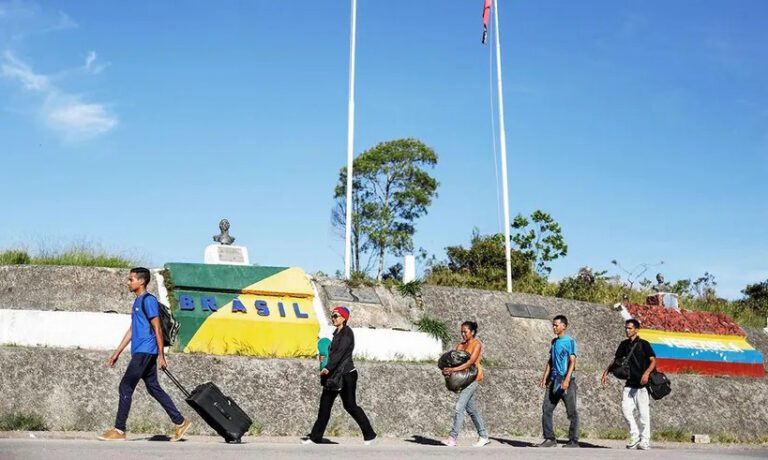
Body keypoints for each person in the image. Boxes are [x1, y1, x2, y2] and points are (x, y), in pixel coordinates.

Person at [97, 267, 191, 441]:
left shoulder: (148, 301)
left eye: (131, 279)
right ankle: (180, 422)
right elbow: (133, 329)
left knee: (125, 386)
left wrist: (162, 356)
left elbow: (157, 328)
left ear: (141, 281)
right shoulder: (137, 302)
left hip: (145, 352)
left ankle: (119, 430)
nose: (128, 282)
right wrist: (117, 352)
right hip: (141, 352)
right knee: (153, 387)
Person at [303, 306, 376, 445]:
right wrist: (323, 359)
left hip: (346, 375)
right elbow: (332, 354)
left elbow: (339, 354)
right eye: (332, 316)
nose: (333, 318)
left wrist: (327, 368)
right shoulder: (336, 333)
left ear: (344, 318)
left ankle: (370, 434)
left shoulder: (347, 334)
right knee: (324, 407)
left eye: (336, 316)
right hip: (334, 375)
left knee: (350, 405)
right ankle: (315, 437)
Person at [601, 319, 656, 450]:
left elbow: (653, 361)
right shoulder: (624, 344)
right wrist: (606, 372)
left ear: (636, 329)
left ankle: (645, 440)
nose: (627, 330)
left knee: (643, 415)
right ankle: (635, 436)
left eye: (630, 328)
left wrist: (646, 373)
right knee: (626, 410)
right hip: (629, 384)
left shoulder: (644, 344)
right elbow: (616, 361)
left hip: (642, 386)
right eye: (626, 328)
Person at [441, 321, 490, 447]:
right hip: (463, 380)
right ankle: (484, 436)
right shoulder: (460, 346)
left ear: (472, 332)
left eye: (465, 332)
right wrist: (448, 371)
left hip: (473, 378)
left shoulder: (476, 344)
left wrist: (453, 370)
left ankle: (452, 437)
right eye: (461, 331)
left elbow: (470, 362)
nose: (463, 334)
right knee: (472, 410)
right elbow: (454, 363)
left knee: (459, 407)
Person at [538, 315, 579, 448]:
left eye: (556, 325)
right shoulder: (554, 342)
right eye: (553, 325)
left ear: (564, 326)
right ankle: (550, 439)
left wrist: (567, 379)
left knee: (571, 412)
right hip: (553, 380)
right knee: (546, 409)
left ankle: (573, 441)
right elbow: (550, 361)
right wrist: (545, 377)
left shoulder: (570, 342)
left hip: (566, 380)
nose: (554, 327)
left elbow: (572, 361)